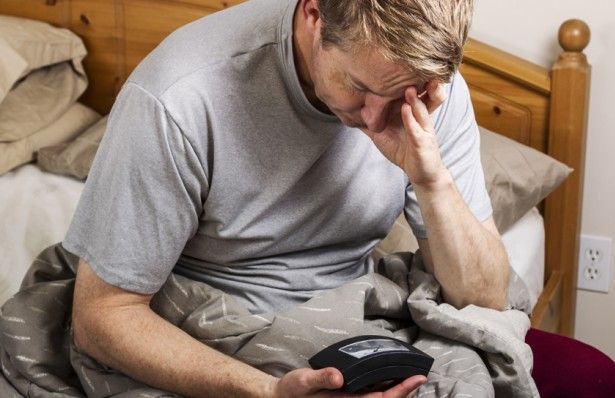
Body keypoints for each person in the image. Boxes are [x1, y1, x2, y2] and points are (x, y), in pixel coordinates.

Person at [66, 0, 532, 396]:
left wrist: (431, 181)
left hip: (356, 314)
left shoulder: (429, 89)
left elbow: (485, 299)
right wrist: (266, 391)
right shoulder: (180, 94)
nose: (374, 121)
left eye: (396, 97)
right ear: (314, 14)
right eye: (360, 87)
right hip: (208, 325)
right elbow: (101, 318)